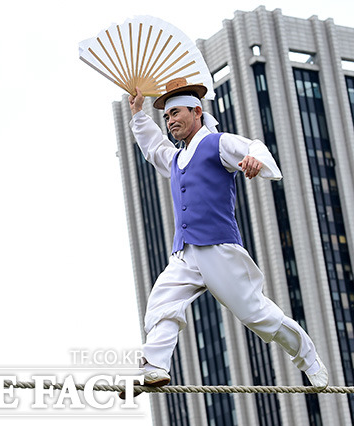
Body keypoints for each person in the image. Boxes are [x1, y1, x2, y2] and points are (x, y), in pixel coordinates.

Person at [122, 77, 328, 394]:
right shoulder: (176, 158)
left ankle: (310, 361)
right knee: (162, 303)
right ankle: (154, 368)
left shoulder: (216, 143)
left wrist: (257, 161)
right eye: (166, 116)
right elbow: (153, 147)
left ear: (196, 111)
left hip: (218, 248)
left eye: (175, 113)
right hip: (185, 252)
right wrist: (138, 113)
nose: (170, 121)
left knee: (257, 314)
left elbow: (252, 147)